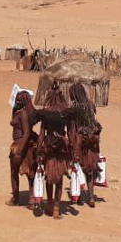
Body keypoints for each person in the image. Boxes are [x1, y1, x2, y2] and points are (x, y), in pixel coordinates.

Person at [38, 83, 73, 220]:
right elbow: (70, 132)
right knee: (59, 177)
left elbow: (42, 133)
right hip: (61, 148)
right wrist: (72, 149)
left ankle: (50, 203)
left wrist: (39, 150)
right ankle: (57, 208)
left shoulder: (46, 112)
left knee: (49, 175)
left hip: (49, 146)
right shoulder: (65, 112)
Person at [68, 83, 102, 208]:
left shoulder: (75, 107)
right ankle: (91, 197)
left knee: (79, 166)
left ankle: (79, 196)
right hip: (92, 140)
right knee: (91, 169)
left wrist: (72, 142)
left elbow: (72, 128)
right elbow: (94, 121)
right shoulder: (90, 105)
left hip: (80, 140)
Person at [8, 91, 38, 207]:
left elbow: (26, 133)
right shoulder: (18, 112)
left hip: (21, 145)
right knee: (24, 172)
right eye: (17, 99)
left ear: (25, 101)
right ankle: (21, 198)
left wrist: (20, 150)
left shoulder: (23, 114)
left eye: (20, 100)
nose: (18, 102)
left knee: (23, 172)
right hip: (19, 144)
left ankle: (20, 199)